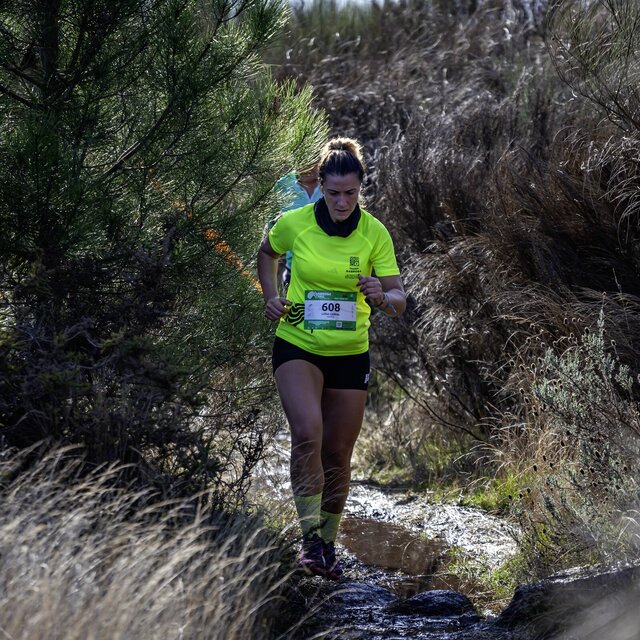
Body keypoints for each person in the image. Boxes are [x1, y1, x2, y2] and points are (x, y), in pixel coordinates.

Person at [257, 137, 406, 580]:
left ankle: (326, 543)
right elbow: (267, 252)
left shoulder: (374, 233)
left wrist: (382, 296)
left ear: (360, 189)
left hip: (349, 353)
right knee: (308, 433)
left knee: (338, 453)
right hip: (297, 343)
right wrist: (271, 296)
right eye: (334, 192)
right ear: (320, 186)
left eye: (351, 193)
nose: (342, 202)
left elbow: (398, 299)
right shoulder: (295, 223)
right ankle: (308, 541)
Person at [273, 163, 323, 288]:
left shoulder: (332, 185)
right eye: (304, 158)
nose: (308, 165)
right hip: (294, 270)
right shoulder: (283, 185)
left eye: (313, 158)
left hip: (331, 270)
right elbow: (271, 228)